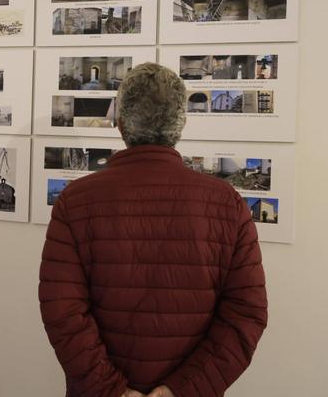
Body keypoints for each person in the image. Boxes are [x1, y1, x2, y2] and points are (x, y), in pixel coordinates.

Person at [39, 63, 267, 397]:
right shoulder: (227, 204)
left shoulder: (75, 201)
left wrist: (113, 390)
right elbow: (246, 314)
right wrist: (180, 390)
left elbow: (62, 310)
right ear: (180, 124)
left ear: (120, 125)